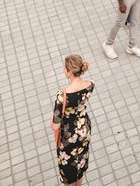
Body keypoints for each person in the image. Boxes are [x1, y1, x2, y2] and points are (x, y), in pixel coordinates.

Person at [51, 54, 95, 185]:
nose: (63, 70)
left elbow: (55, 126)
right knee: (80, 161)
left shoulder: (62, 95)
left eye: (64, 68)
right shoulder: (90, 85)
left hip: (68, 134)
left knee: (67, 165)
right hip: (84, 129)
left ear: (70, 73)